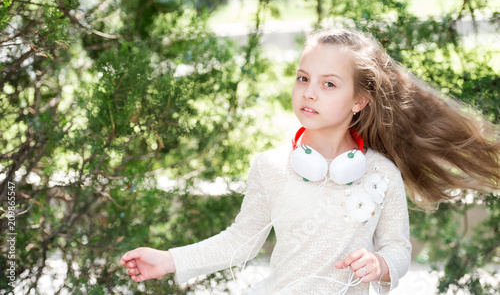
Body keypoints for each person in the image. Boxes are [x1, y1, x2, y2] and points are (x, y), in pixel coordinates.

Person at [120, 28, 500, 294]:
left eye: (328, 84)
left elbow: (398, 248)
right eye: (303, 78)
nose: (310, 93)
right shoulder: (270, 167)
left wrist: (381, 265)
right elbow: (240, 242)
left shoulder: (382, 174)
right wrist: (169, 260)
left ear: (358, 101)